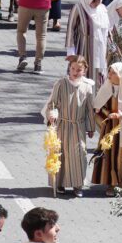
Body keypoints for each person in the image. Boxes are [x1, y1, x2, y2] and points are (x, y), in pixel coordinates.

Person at [42, 57, 95, 197]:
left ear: (84, 71)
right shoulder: (61, 83)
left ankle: (78, 184)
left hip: (78, 126)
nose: (75, 72)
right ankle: (59, 183)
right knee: (61, 154)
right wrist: (52, 114)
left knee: (79, 154)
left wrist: (91, 127)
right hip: (62, 124)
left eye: (79, 70)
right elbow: (52, 104)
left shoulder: (87, 87)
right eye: (73, 69)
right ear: (69, 68)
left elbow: (89, 109)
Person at [91, 62, 122, 189]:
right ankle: (110, 184)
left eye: (113, 73)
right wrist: (108, 114)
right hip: (109, 129)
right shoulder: (106, 88)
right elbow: (97, 107)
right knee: (108, 154)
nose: (109, 75)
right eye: (110, 72)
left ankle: (120, 182)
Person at [66, 0, 112, 84]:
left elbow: (107, 30)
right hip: (83, 49)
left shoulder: (102, 9)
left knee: (97, 79)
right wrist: (70, 52)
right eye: (94, 0)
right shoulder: (78, 8)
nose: (97, 3)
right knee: (80, 75)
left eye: (99, 0)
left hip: (100, 50)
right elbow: (71, 29)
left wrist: (111, 46)